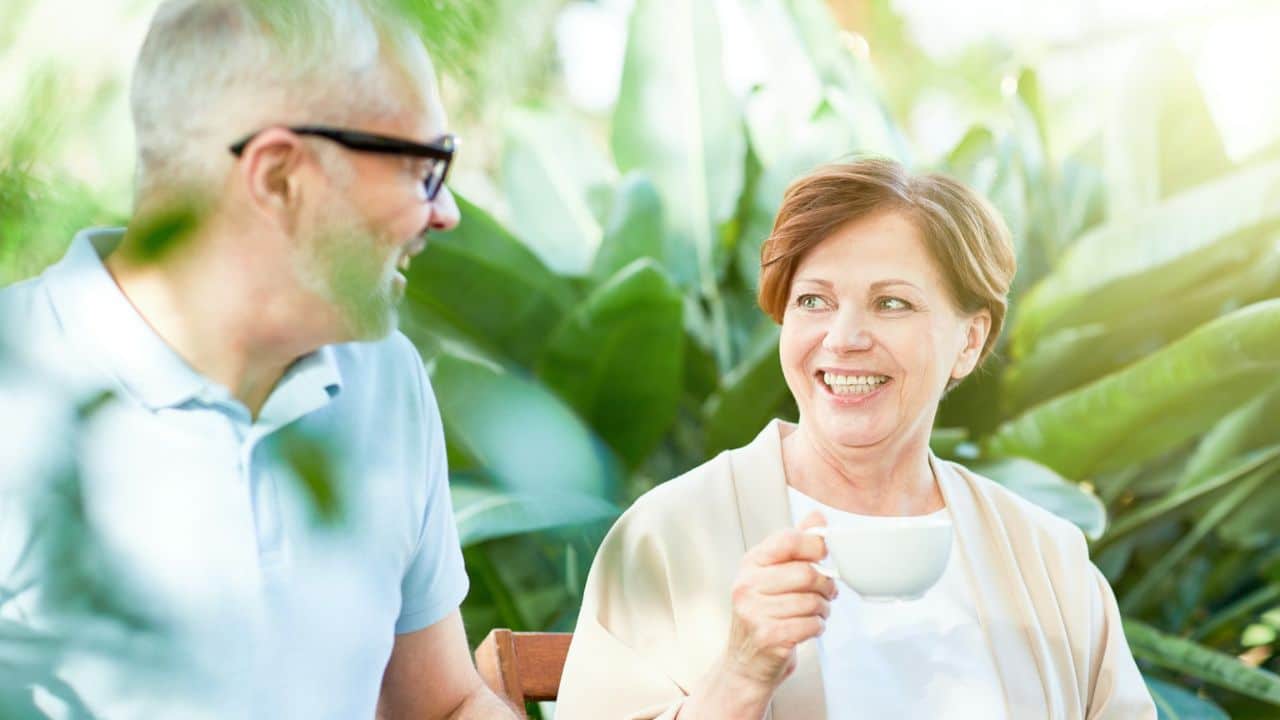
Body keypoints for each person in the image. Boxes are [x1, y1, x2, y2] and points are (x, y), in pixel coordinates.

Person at [0, 1, 517, 717]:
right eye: (421, 168)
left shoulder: (386, 378)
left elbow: (444, 705)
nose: (446, 212)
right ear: (278, 177)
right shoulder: (16, 387)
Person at [555, 158, 1156, 719]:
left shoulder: (1045, 559)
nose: (843, 338)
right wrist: (739, 674)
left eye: (891, 303)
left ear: (970, 341)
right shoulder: (669, 536)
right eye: (813, 300)